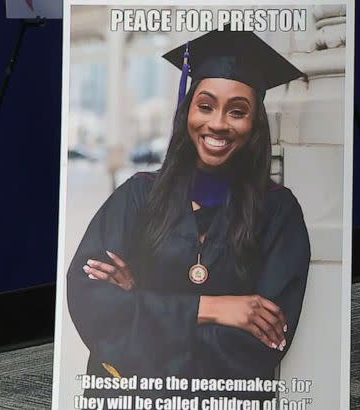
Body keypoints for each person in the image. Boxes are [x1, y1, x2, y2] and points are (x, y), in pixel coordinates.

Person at [66, 27, 310, 403]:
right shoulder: (138, 195)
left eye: (238, 111)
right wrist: (212, 308)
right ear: (187, 111)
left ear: (254, 125)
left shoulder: (277, 212)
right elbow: (94, 305)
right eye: (206, 105)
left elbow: (261, 344)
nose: (217, 124)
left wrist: (141, 302)